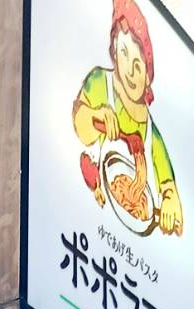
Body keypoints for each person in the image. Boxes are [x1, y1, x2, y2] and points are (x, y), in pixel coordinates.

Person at [71, 0, 183, 235]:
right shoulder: (101, 82)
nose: (130, 71)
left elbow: (168, 186)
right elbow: (80, 126)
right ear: (114, 50)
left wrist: (170, 200)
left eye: (138, 65)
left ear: (147, 78)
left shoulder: (150, 132)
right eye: (123, 53)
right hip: (94, 206)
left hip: (134, 218)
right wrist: (95, 116)